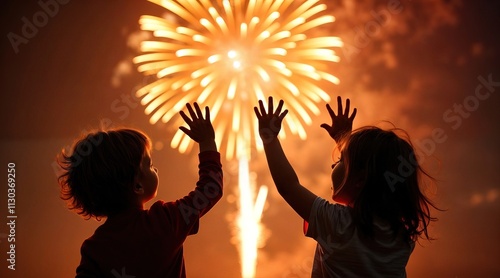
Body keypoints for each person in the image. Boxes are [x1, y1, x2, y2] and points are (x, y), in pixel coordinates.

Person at [254, 96, 439, 277]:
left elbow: (288, 186)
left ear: (360, 180)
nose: (333, 165)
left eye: (342, 160)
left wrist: (270, 140)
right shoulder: (403, 238)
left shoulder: (337, 224)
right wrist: (345, 142)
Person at [57, 103, 223, 278]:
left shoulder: (95, 248)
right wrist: (207, 142)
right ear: (137, 186)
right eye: (149, 165)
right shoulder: (165, 221)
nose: (156, 170)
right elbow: (211, 188)